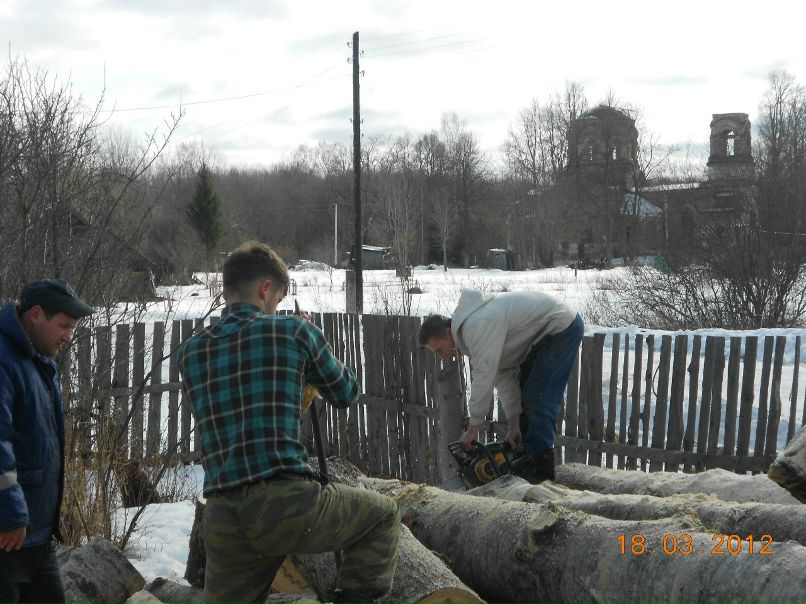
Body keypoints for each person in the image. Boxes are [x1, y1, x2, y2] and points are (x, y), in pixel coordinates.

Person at [177, 241, 400, 604]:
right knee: (383, 516)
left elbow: (248, 412)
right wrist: (311, 344)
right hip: (285, 504)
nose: (276, 307)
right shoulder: (294, 333)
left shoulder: (191, 352)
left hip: (222, 513)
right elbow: (346, 392)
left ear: (225, 290)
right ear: (266, 289)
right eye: (277, 299)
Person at [419, 289, 584, 484]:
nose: (441, 356)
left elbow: (483, 377)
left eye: (439, 349)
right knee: (526, 397)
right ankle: (526, 461)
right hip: (540, 336)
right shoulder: (473, 333)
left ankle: (541, 473)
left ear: (448, 333)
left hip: (561, 325)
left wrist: (473, 429)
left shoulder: (476, 326)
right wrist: (514, 423)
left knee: (538, 397)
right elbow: (503, 376)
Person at [0, 279, 95, 604]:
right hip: (7, 537)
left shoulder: (37, 360)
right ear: (36, 314)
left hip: (36, 537)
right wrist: (9, 513)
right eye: (64, 325)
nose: (68, 336)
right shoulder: (3, 360)